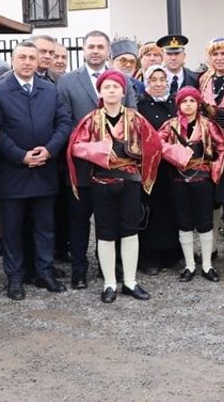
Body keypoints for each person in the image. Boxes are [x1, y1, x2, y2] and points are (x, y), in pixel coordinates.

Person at [67, 70, 163, 303]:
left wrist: (137, 155)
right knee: (105, 233)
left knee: (130, 232)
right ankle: (109, 283)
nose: (111, 91)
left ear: (123, 92)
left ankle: (130, 282)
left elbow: (155, 144)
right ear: (100, 91)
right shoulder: (90, 120)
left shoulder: (135, 118)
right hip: (100, 183)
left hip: (129, 183)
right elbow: (76, 147)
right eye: (106, 87)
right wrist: (101, 151)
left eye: (116, 87)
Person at [0, 40, 72, 302]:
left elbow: (64, 123)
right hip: (13, 170)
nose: (27, 62)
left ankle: (44, 271)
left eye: (31, 58)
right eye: (22, 57)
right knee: (12, 228)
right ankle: (15, 276)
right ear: (13, 60)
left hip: (44, 168)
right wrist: (20, 156)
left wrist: (49, 150)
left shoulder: (50, 90)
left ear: (38, 62)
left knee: (44, 226)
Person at [56, 31, 127, 290]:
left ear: (108, 50)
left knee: (111, 218)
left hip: (116, 165)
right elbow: (63, 120)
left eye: (100, 47)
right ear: (83, 50)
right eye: (91, 47)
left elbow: (133, 120)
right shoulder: (66, 82)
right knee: (79, 218)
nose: (95, 51)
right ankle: (79, 269)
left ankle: (110, 265)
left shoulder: (123, 80)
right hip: (82, 166)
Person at [158, 86, 224, 281]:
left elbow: (223, 146)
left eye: (192, 101)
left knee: (205, 221)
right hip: (178, 179)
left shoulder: (208, 125)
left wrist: (215, 168)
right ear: (178, 104)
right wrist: (175, 153)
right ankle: (189, 265)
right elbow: (156, 142)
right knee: (184, 221)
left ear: (198, 104)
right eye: (184, 101)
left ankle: (207, 265)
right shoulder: (170, 125)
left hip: (203, 179)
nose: (188, 105)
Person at [135, 65, 182, 274]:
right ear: (146, 82)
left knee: (172, 210)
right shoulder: (140, 106)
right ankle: (150, 257)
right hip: (151, 167)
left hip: (172, 167)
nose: (158, 84)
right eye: (153, 80)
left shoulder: (175, 104)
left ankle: (172, 254)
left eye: (162, 79)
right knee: (152, 212)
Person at [157, 34, 199, 99]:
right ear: (163, 56)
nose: (173, 58)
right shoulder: (154, 79)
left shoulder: (195, 79)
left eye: (177, 54)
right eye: (169, 54)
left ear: (184, 56)